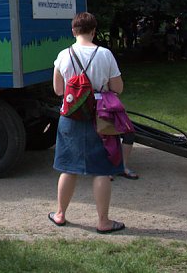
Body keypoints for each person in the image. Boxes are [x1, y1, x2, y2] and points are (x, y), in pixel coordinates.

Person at [50, 12, 126, 234]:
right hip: (101, 114)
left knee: (67, 167)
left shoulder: (63, 55)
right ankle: (103, 221)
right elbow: (118, 88)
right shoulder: (105, 54)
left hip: (71, 114)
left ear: (73, 31)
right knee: (102, 169)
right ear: (94, 31)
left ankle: (60, 214)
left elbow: (58, 90)